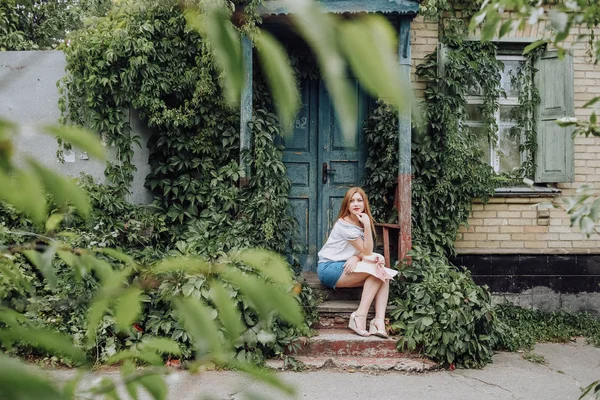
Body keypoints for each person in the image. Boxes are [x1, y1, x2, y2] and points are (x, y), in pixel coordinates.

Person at [317, 187, 395, 338]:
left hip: (345, 265)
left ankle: (378, 322)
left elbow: (363, 251)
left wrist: (356, 257)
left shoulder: (359, 221)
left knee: (382, 274)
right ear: (346, 205)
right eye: (351, 201)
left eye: (359, 200)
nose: (356, 204)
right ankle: (359, 315)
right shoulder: (345, 224)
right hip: (329, 268)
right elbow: (367, 250)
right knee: (377, 269)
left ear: (365, 203)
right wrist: (366, 225)